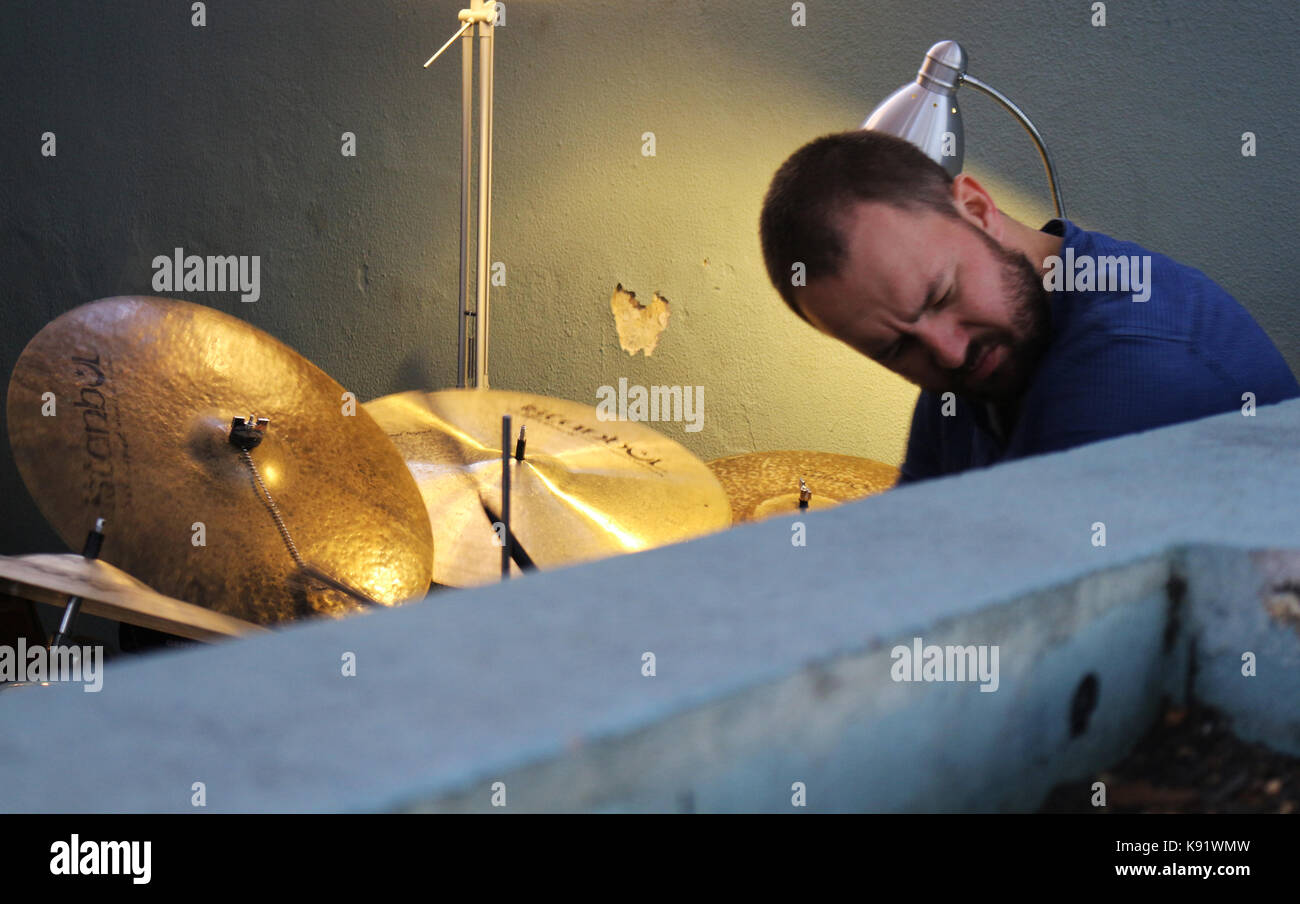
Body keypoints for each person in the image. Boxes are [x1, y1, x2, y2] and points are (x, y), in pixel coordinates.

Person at [759, 130, 1300, 484]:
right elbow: (914, 543)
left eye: (942, 295)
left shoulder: (1134, 365)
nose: (947, 353)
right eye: (896, 348)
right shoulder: (981, 356)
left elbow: (997, 627)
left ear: (975, 206)